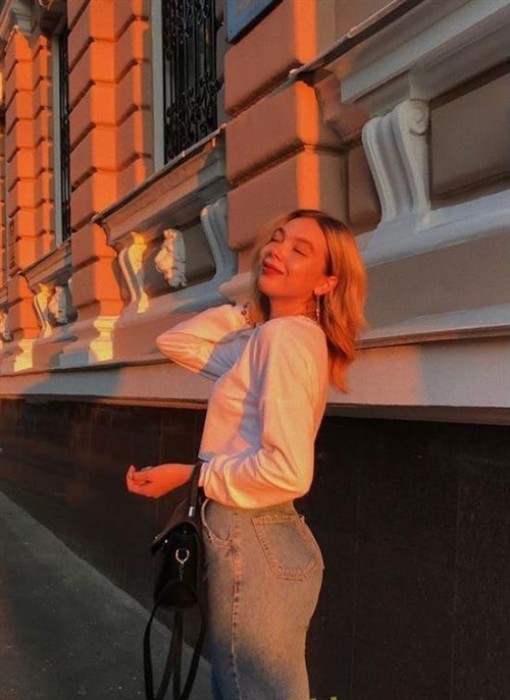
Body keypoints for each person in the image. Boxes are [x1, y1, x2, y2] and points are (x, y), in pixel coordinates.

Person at [126, 209, 367, 700]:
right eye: (277, 239)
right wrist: (248, 311)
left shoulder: (284, 339)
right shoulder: (268, 338)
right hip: (259, 537)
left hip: (251, 538)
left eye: (300, 249)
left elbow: (289, 471)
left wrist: (191, 475)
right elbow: (176, 342)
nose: (277, 250)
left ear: (326, 283)